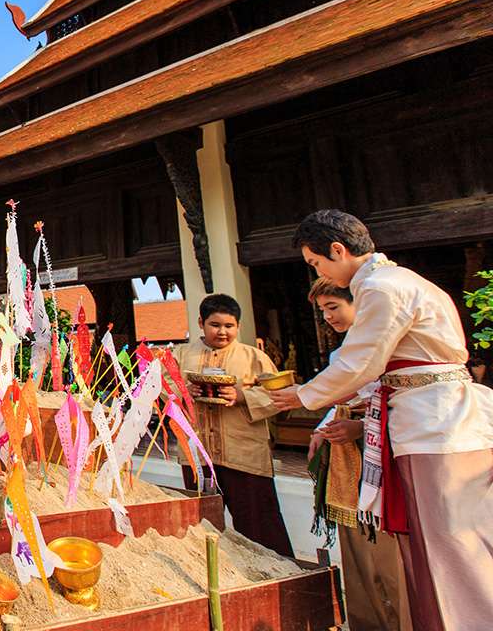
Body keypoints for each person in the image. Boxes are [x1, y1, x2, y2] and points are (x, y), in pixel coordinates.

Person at [272, 209, 493, 630]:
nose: (318, 271)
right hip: (442, 419)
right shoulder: (407, 281)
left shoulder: (380, 287)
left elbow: (361, 361)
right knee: (454, 540)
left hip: (434, 426)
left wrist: (301, 395)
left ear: (337, 250)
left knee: (446, 545)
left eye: (317, 263)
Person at [306, 277, 409, 631]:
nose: (328, 317)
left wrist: (359, 428)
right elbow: (340, 400)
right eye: (323, 311)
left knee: (389, 555)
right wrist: (324, 428)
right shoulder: (342, 353)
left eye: (333, 307)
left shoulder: (389, 346)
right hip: (349, 464)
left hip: (386, 459)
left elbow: (398, 403)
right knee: (357, 551)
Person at [176, 293, 295, 556]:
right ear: (201, 323)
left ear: (238, 326)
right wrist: (186, 390)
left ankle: (277, 575)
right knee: (202, 525)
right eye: (215, 325)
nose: (222, 332)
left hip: (244, 454)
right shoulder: (181, 354)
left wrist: (241, 396)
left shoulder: (254, 357)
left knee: (259, 525)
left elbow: (281, 396)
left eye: (229, 326)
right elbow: (161, 389)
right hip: (197, 454)